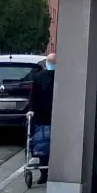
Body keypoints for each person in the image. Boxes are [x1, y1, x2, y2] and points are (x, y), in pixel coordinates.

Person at [28, 53, 56, 184]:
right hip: (44, 117)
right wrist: (31, 110)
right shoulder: (40, 77)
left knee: (48, 145)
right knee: (44, 145)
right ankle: (44, 173)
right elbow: (33, 96)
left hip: (53, 117)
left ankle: (47, 173)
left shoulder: (61, 77)